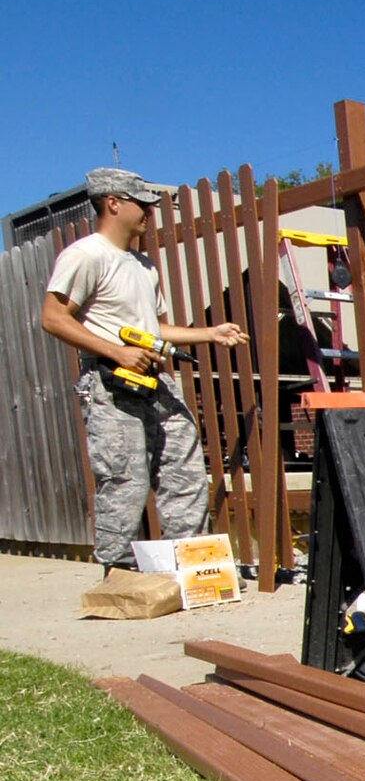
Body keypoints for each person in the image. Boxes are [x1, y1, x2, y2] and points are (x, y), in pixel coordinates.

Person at [41, 168, 247, 574]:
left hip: (153, 377)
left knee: (184, 467)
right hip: (109, 384)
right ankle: (116, 577)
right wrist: (116, 353)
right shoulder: (86, 255)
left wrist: (210, 333)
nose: (150, 212)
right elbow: (53, 318)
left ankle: (192, 571)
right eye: (142, 203)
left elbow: (154, 329)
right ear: (113, 203)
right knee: (123, 479)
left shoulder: (144, 265)